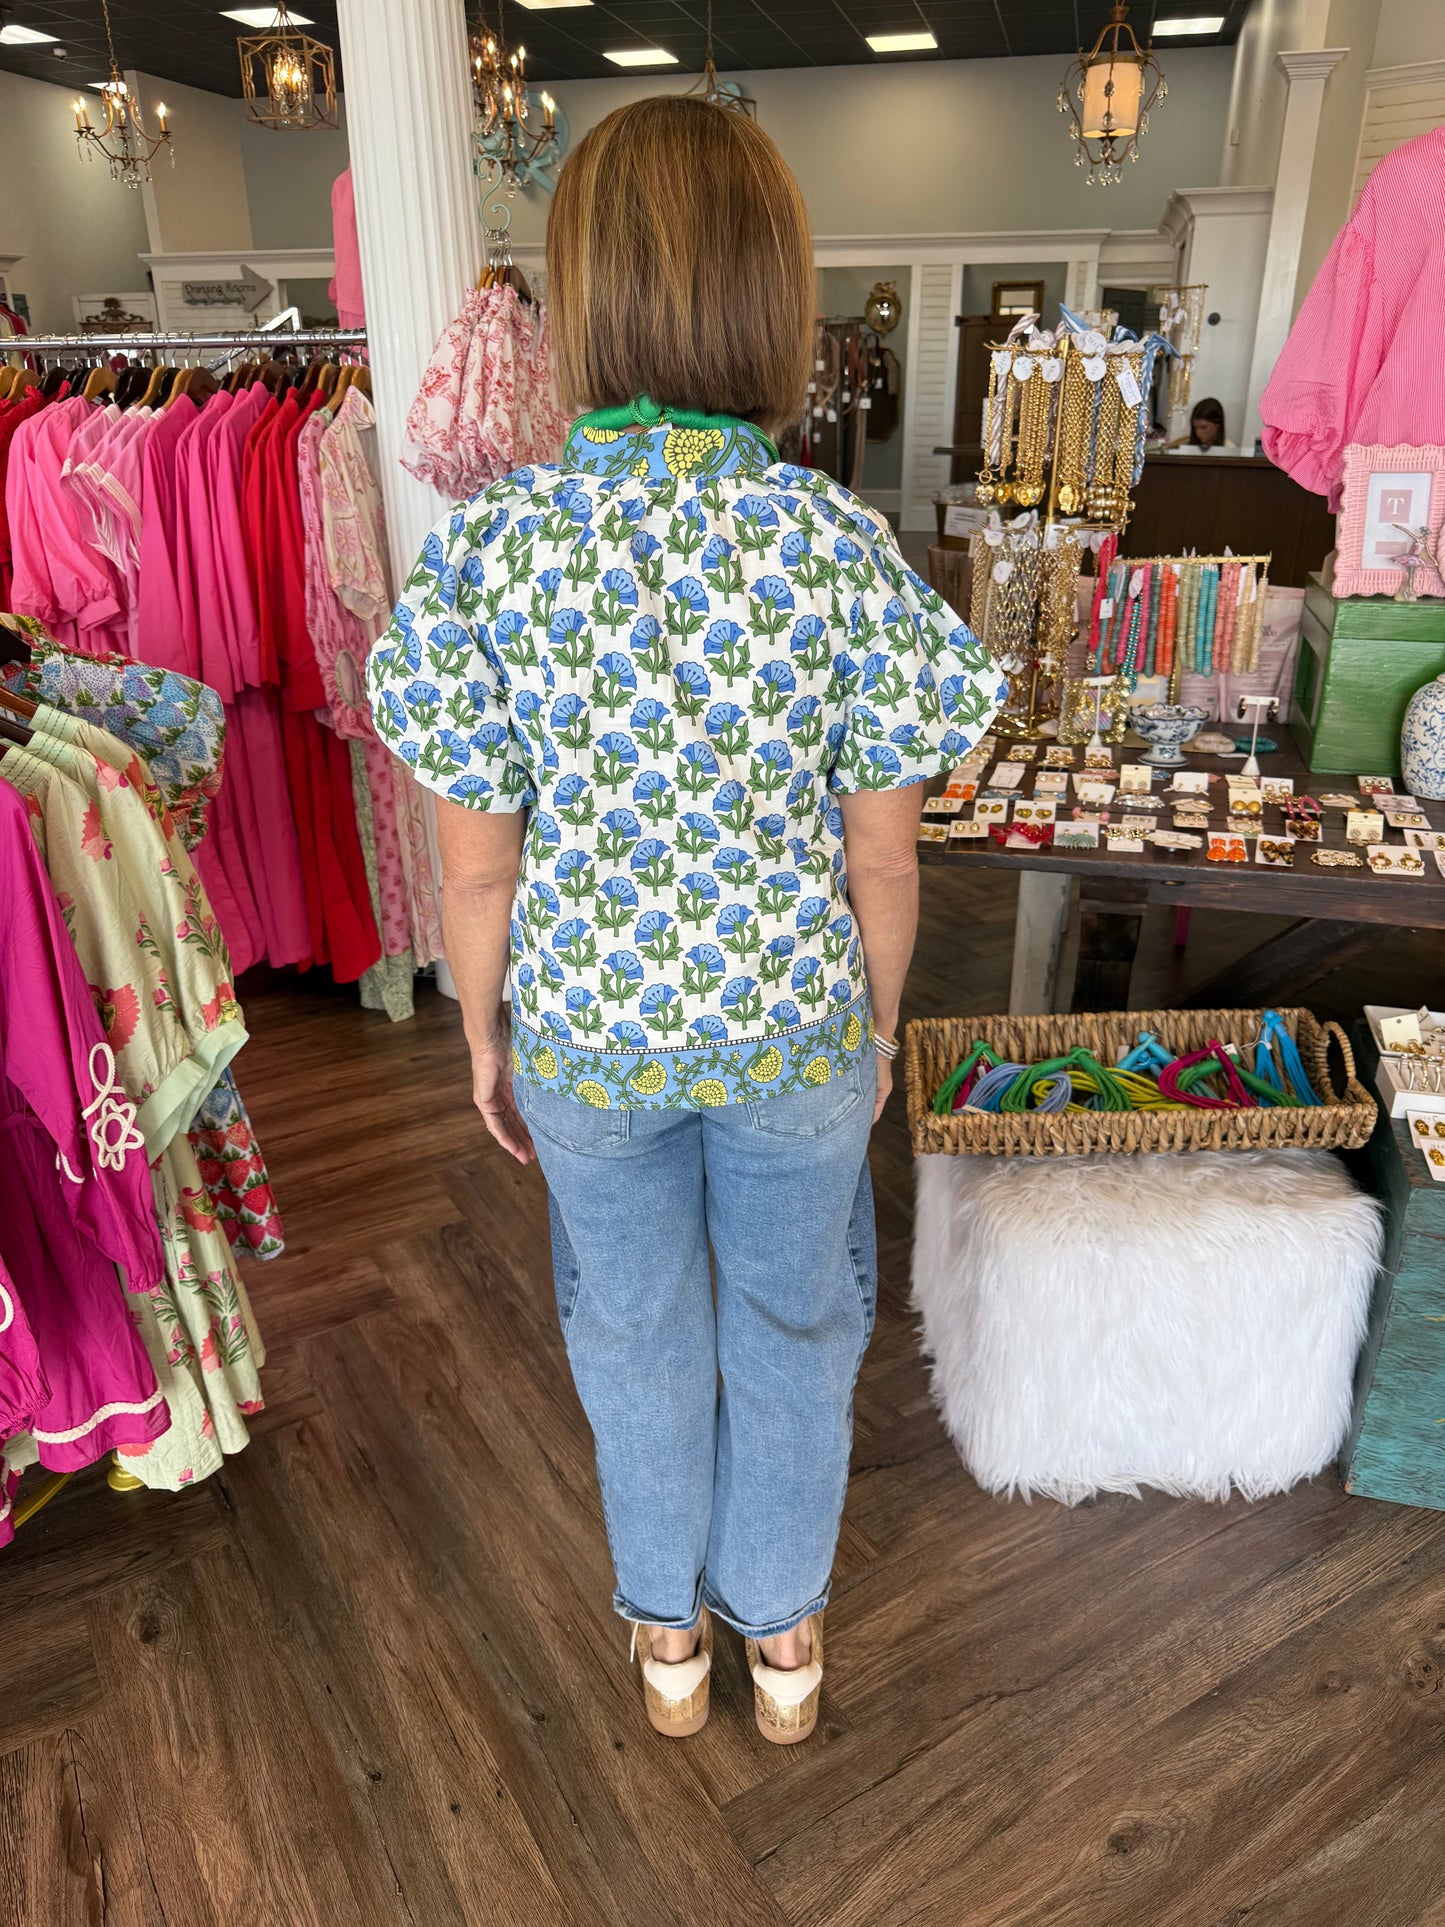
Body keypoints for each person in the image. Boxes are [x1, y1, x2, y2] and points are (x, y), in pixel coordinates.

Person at [367, 96, 1003, 1746]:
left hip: (588, 1026)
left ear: (587, 300)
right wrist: (873, 1028)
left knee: (631, 1324)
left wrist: (484, 1030)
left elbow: (478, 868)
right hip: (794, 1023)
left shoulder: (493, 555)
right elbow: (885, 862)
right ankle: (781, 1640)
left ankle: (665, 1641)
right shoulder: (840, 550)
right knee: (798, 1325)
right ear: (767, 300)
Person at [1171, 396, 1235, 454]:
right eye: (1195, 428)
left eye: (1204, 427)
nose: (1198, 433)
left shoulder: (1229, 449)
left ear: (1218, 424)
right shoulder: (1185, 447)